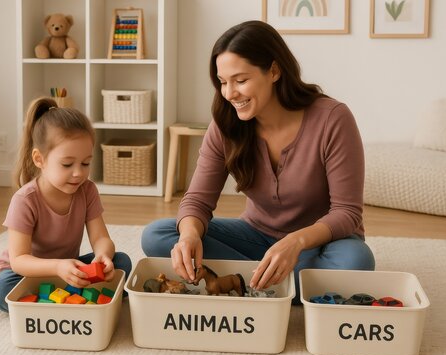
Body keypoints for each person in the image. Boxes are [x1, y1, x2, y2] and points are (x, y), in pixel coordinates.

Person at [141, 20, 375, 301]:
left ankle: (245, 281)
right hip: (256, 236)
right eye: (223, 82)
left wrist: (296, 242)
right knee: (158, 234)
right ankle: (279, 284)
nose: (229, 94)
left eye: (240, 81)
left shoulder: (332, 119)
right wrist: (189, 236)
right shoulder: (226, 123)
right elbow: (197, 201)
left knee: (357, 260)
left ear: (274, 71)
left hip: (320, 243)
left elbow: (347, 213)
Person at [0, 97, 132, 312]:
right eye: (67, 164)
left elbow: (100, 237)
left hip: (68, 267)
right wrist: (57, 266)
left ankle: (60, 296)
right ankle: (61, 296)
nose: (78, 173)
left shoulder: (87, 190)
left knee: (122, 262)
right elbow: (19, 260)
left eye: (85, 163)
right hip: (28, 272)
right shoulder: (24, 200)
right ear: (39, 159)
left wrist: (103, 255)